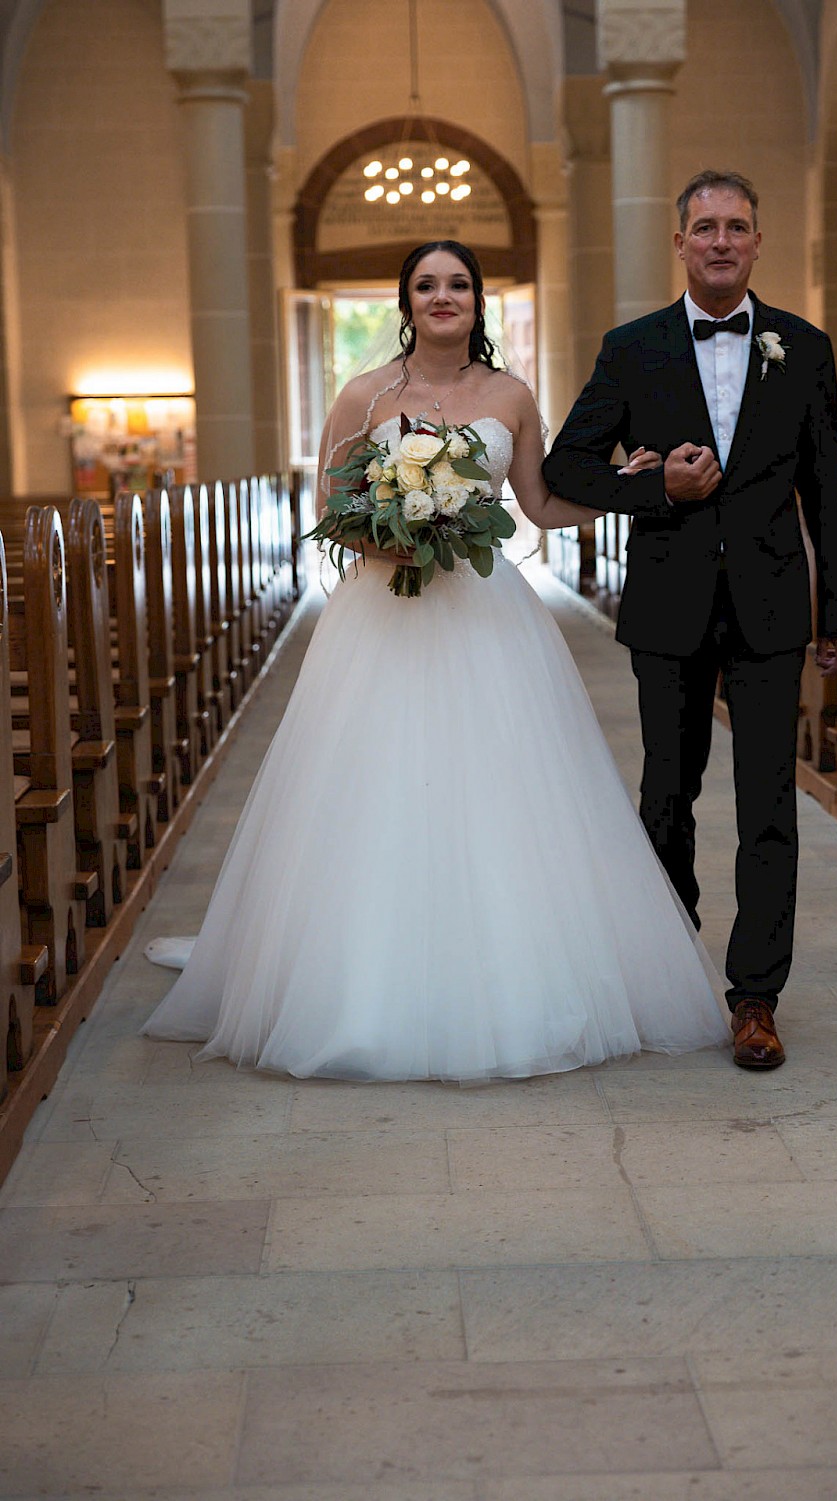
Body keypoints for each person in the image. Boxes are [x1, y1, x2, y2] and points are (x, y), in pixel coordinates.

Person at [142, 239, 730, 1080]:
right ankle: (360, 981)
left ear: (480, 302)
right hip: (385, 613)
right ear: (405, 301)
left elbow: (541, 506)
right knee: (375, 786)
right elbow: (331, 509)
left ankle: (514, 970)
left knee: (502, 788)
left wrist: (634, 484)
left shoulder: (512, 395)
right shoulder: (363, 394)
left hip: (489, 616)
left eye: (459, 284)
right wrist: (402, 533)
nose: (443, 296)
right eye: (427, 285)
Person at [543, 171, 837, 1071]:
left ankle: (756, 997)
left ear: (758, 243)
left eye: (738, 226)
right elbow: (568, 466)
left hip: (769, 606)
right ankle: (669, 966)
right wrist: (652, 487)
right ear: (678, 243)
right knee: (666, 798)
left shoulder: (803, 348)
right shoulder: (631, 347)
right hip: (669, 601)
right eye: (705, 227)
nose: (721, 240)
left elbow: (826, 489)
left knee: (768, 806)